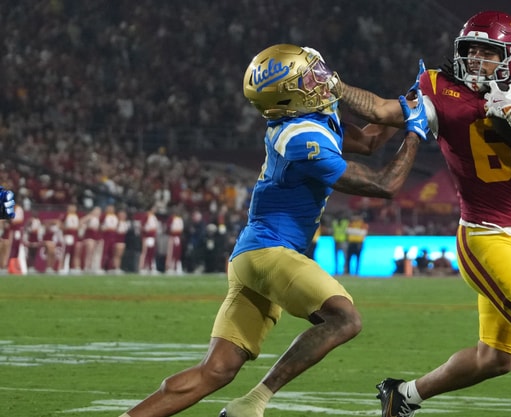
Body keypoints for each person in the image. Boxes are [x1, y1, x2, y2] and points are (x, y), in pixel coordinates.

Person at [118, 43, 428, 417]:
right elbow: (384, 185)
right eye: (309, 77)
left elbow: (371, 139)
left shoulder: (308, 121)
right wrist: (415, 132)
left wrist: (413, 101)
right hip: (270, 252)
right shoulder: (300, 139)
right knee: (345, 318)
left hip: (253, 254)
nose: (321, 80)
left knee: (215, 370)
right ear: (290, 97)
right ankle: (253, 402)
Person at [337, 10, 511, 417]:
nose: (475, 59)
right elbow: (383, 113)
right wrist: (335, 88)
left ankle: (403, 396)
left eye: (487, 52)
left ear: (510, 56)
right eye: (470, 50)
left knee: (495, 359)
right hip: (483, 237)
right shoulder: (439, 89)